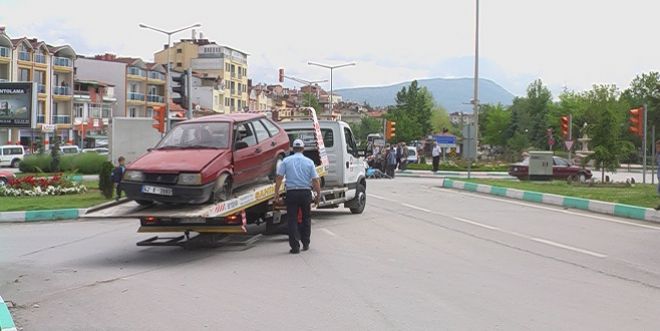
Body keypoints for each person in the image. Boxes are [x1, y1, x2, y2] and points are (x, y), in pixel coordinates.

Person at [274, 139, 321, 254]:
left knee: (292, 219)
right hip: (305, 193)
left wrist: (276, 194)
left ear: (292, 149)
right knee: (306, 218)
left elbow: (279, 178)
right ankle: (305, 243)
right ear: (303, 149)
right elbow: (315, 180)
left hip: (292, 193)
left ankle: (295, 246)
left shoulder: (286, 161)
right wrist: (318, 195)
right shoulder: (309, 162)